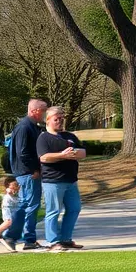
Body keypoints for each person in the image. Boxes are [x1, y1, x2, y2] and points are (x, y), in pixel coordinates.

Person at [36, 106, 87, 252]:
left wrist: (74, 152)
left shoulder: (69, 136)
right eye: (56, 119)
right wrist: (62, 155)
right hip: (53, 181)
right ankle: (52, 242)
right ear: (47, 121)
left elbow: (83, 152)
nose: (60, 121)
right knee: (53, 211)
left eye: (61, 118)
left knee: (74, 208)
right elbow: (44, 157)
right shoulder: (43, 138)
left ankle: (66, 239)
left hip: (71, 180)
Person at [0, 98, 47, 252]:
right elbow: (23, 152)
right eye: (43, 111)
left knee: (29, 205)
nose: (45, 114)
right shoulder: (24, 127)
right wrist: (34, 169)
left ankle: (28, 238)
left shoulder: (31, 126)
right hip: (27, 173)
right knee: (28, 205)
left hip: (28, 172)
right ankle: (13, 236)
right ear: (35, 111)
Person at [0, 177, 20, 245]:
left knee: (12, 223)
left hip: (13, 208)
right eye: (14, 185)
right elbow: (8, 191)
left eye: (16, 185)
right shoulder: (9, 190)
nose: (16, 186)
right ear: (9, 185)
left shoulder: (17, 191)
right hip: (7, 208)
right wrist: (9, 190)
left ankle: (5, 235)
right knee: (8, 221)